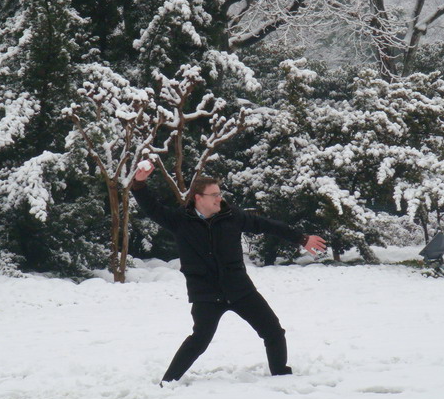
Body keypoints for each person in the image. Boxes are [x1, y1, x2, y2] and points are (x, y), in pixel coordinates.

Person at [132, 161, 327, 385]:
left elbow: (266, 225)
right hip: (206, 294)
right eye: (214, 194)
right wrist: (139, 183)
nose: (219, 198)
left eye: (219, 193)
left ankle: (281, 376)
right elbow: (151, 208)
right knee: (199, 341)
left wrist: (302, 239)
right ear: (198, 198)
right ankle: (167, 382)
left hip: (239, 289)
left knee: (273, 331)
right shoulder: (180, 221)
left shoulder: (232, 216)